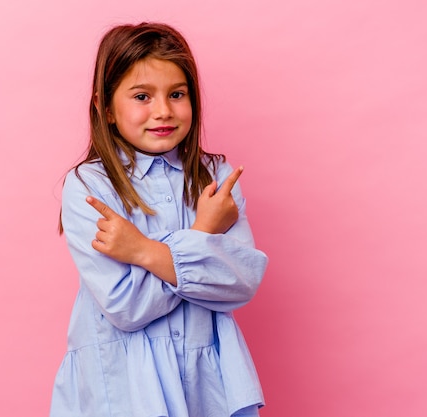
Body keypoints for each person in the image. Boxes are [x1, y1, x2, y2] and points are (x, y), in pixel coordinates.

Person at [50, 22, 268, 417]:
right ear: (106, 109)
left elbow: (239, 282)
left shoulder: (215, 177)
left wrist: (143, 252)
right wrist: (204, 234)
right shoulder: (89, 186)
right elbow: (125, 306)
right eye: (141, 96)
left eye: (177, 94)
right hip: (125, 384)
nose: (163, 111)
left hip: (209, 383)